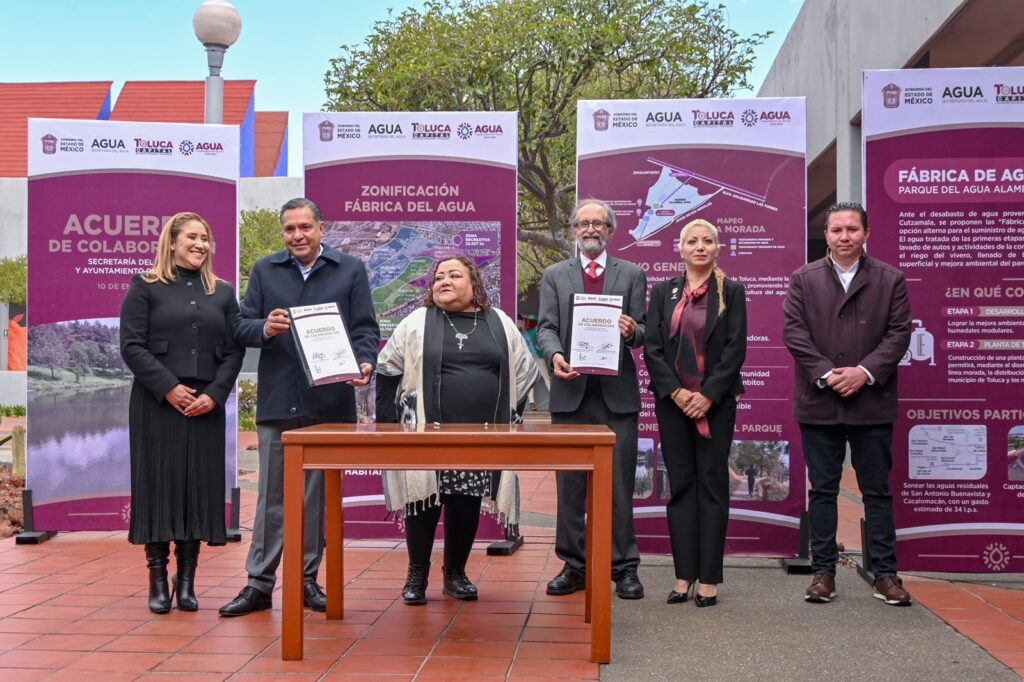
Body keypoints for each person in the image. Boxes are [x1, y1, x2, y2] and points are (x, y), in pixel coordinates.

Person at [219, 198, 380, 616]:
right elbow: (240, 325)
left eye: (305, 227)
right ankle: (258, 584)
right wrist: (264, 328)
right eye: (290, 229)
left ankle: (307, 580)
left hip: (330, 403)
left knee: (315, 499)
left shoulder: (350, 269)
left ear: (322, 229)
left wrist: (365, 361)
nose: (298, 236)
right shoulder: (264, 270)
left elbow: (365, 328)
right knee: (272, 498)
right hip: (279, 402)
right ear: (283, 232)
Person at [376, 255, 538, 604]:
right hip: (423, 434)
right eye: (438, 278)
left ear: (474, 284)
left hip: (481, 436)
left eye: (454, 275)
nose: (443, 281)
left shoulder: (501, 322)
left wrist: (510, 418)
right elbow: (387, 367)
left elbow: (524, 371)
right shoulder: (418, 321)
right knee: (423, 502)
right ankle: (416, 574)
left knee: (465, 501)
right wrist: (386, 425)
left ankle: (455, 573)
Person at [782, 201, 912, 606]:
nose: (844, 236)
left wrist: (864, 372)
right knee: (822, 491)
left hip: (871, 400)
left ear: (866, 233)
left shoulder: (891, 279)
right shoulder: (804, 278)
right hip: (820, 400)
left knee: (877, 491)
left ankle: (885, 575)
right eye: (836, 230)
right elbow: (794, 332)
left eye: (852, 229)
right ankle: (823, 572)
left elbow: (899, 334)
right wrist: (827, 374)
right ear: (826, 235)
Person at [119, 212, 244, 614]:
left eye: (205, 238)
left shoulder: (222, 292)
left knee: (196, 489)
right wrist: (169, 387)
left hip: (205, 405)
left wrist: (217, 394)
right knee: (158, 488)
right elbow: (131, 345)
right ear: (171, 242)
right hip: (158, 404)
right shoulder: (146, 286)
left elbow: (233, 350)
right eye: (192, 237)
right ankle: (157, 579)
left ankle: (186, 580)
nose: (200, 244)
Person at [537, 198, 647, 600]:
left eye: (598, 223)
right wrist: (554, 356)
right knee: (570, 488)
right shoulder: (555, 275)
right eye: (583, 223)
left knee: (619, 486)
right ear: (573, 231)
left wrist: (634, 330)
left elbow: (645, 331)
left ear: (610, 231)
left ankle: (625, 567)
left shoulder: (633, 274)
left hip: (616, 399)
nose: (590, 229)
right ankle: (574, 564)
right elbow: (546, 328)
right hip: (571, 395)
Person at [644, 219, 746, 607]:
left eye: (708, 241)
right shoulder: (662, 291)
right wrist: (676, 392)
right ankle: (683, 575)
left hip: (716, 406)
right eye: (692, 241)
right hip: (674, 405)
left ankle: (709, 579)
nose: (700, 247)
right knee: (681, 486)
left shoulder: (731, 292)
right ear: (680, 248)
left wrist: (708, 396)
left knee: (713, 486)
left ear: (718, 249)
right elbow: (653, 347)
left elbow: (736, 349)